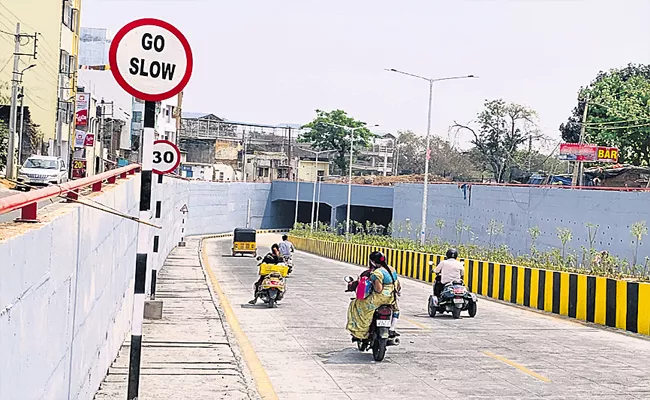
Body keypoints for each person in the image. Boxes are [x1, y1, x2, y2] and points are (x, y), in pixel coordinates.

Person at [346, 251, 401, 340]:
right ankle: (392, 328)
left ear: (372, 261)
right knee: (396, 310)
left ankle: (361, 331)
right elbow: (398, 285)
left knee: (356, 305)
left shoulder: (377, 273)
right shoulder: (392, 269)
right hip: (392, 298)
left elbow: (378, 290)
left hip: (380, 298)